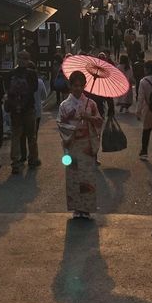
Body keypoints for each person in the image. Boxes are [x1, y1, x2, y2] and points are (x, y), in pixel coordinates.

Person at [57, 71, 103, 220]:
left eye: (80, 85)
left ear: (85, 85)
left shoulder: (91, 103)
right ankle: (77, 207)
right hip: (72, 144)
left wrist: (88, 117)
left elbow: (99, 122)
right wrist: (73, 127)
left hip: (87, 146)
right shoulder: (65, 105)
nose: (77, 88)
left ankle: (87, 208)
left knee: (87, 177)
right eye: (74, 85)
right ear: (70, 86)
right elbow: (61, 124)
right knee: (73, 176)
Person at [7, 51, 41, 173]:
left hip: (15, 110)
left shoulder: (11, 74)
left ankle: (15, 162)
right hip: (28, 108)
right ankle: (33, 159)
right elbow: (35, 88)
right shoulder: (32, 74)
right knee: (31, 136)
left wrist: (15, 105)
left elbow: (8, 91)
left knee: (15, 136)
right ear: (28, 60)